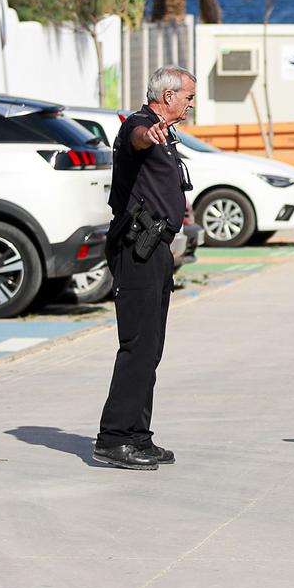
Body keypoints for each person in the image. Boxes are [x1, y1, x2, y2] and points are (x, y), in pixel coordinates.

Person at [94, 65, 197, 470]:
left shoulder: (166, 131)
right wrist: (148, 134)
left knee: (151, 347)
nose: (191, 104)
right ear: (167, 96)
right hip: (136, 250)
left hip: (156, 250)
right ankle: (113, 437)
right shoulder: (139, 125)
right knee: (137, 345)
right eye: (188, 97)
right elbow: (136, 138)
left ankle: (138, 435)